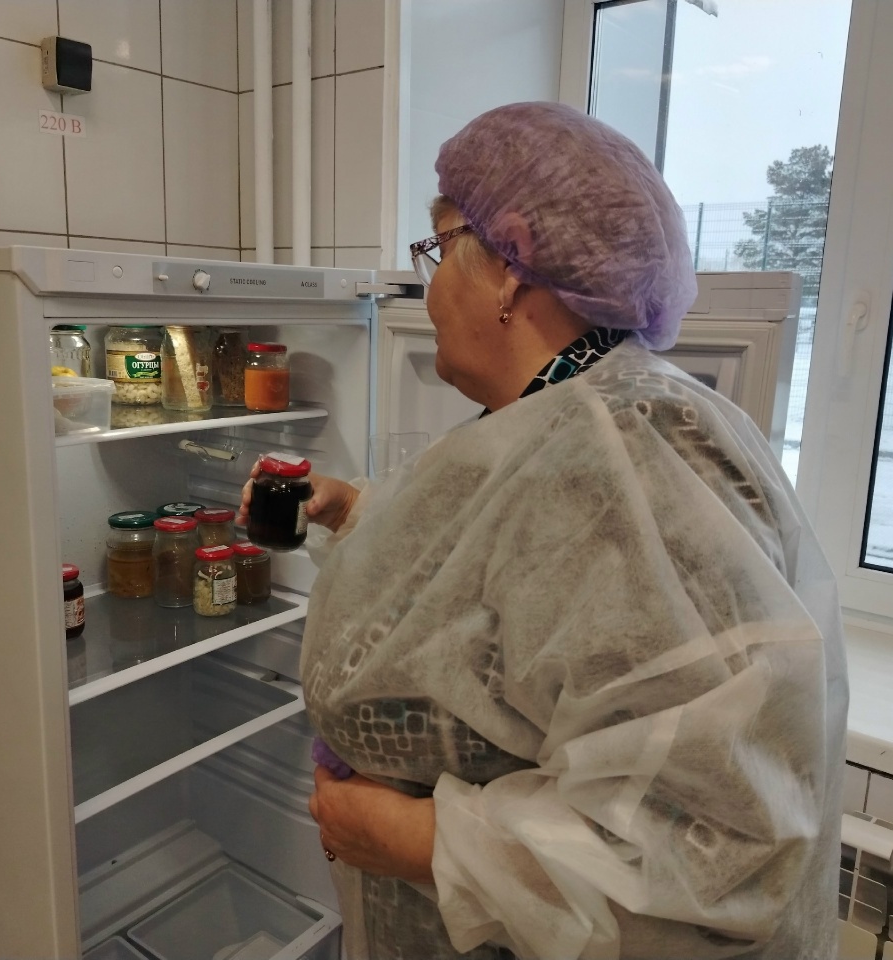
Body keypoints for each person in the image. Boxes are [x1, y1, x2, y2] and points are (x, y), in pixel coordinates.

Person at [239, 101, 848, 959]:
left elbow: (708, 851)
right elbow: (492, 582)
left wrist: (416, 840)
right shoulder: (562, 421)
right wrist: (352, 510)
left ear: (510, 265)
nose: (428, 287)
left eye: (437, 250)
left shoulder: (620, 456)